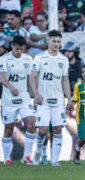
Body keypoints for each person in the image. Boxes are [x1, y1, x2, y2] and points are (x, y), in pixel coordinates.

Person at [30, 30, 73, 166]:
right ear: (48, 41)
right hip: (43, 101)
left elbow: (65, 80)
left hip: (58, 101)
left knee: (58, 129)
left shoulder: (63, 60)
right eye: (54, 41)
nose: (56, 44)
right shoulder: (40, 58)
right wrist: (36, 93)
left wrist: (69, 99)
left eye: (59, 42)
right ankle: (38, 150)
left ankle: (54, 160)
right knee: (42, 131)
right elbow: (32, 77)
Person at [0, 36, 36, 165]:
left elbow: (32, 78)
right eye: (17, 49)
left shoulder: (27, 59)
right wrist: (11, 87)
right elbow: (2, 77)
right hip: (9, 100)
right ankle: (6, 158)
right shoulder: (4, 60)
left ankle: (26, 157)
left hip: (24, 98)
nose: (19, 52)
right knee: (9, 129)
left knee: (32, 123)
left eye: (22, 49)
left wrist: (36, 94)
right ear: (12, 46)